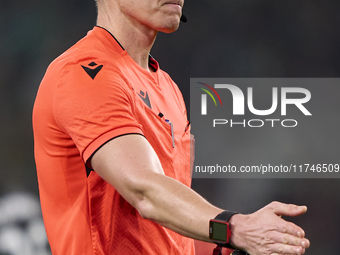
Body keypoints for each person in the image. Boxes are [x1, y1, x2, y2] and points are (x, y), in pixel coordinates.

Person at [32, 0, 310, 254]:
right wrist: (235, 228)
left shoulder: (167, 88)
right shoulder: (83, 72)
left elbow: (172, 231)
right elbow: (145, 192)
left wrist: (235, 247)